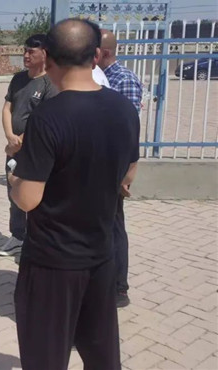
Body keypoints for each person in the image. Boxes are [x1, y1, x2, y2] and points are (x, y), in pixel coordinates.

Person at [9, 19, 140, 370]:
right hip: (101, 257)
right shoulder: (123, 109)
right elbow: (129, 173)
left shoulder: (48, 117)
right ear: (96, 56)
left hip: (53, 263)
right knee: (102, 357)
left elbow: (28, 199)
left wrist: (13, 177)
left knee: (45, 359)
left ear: (49, 58)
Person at [0, 34, 57, 257]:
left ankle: (37, 239)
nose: (26, 55)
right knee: (13, 192)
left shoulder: (50, 83)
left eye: (31, 51)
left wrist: (20, 142)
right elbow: (7, 108)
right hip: (14, 148)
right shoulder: (19, 79)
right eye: (25, 50)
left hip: (34, 151)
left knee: (33, 194)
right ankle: (17, 236)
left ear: (45, 54)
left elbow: (44, 120)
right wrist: (10, 136)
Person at [99, 29, 143, 308]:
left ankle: (119, 288)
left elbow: (130, 130)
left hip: (114, 166)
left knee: (114, 226)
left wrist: (127, 172)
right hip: (98, 163)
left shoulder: (123, 79)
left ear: (103, 52)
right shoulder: (100, 78)